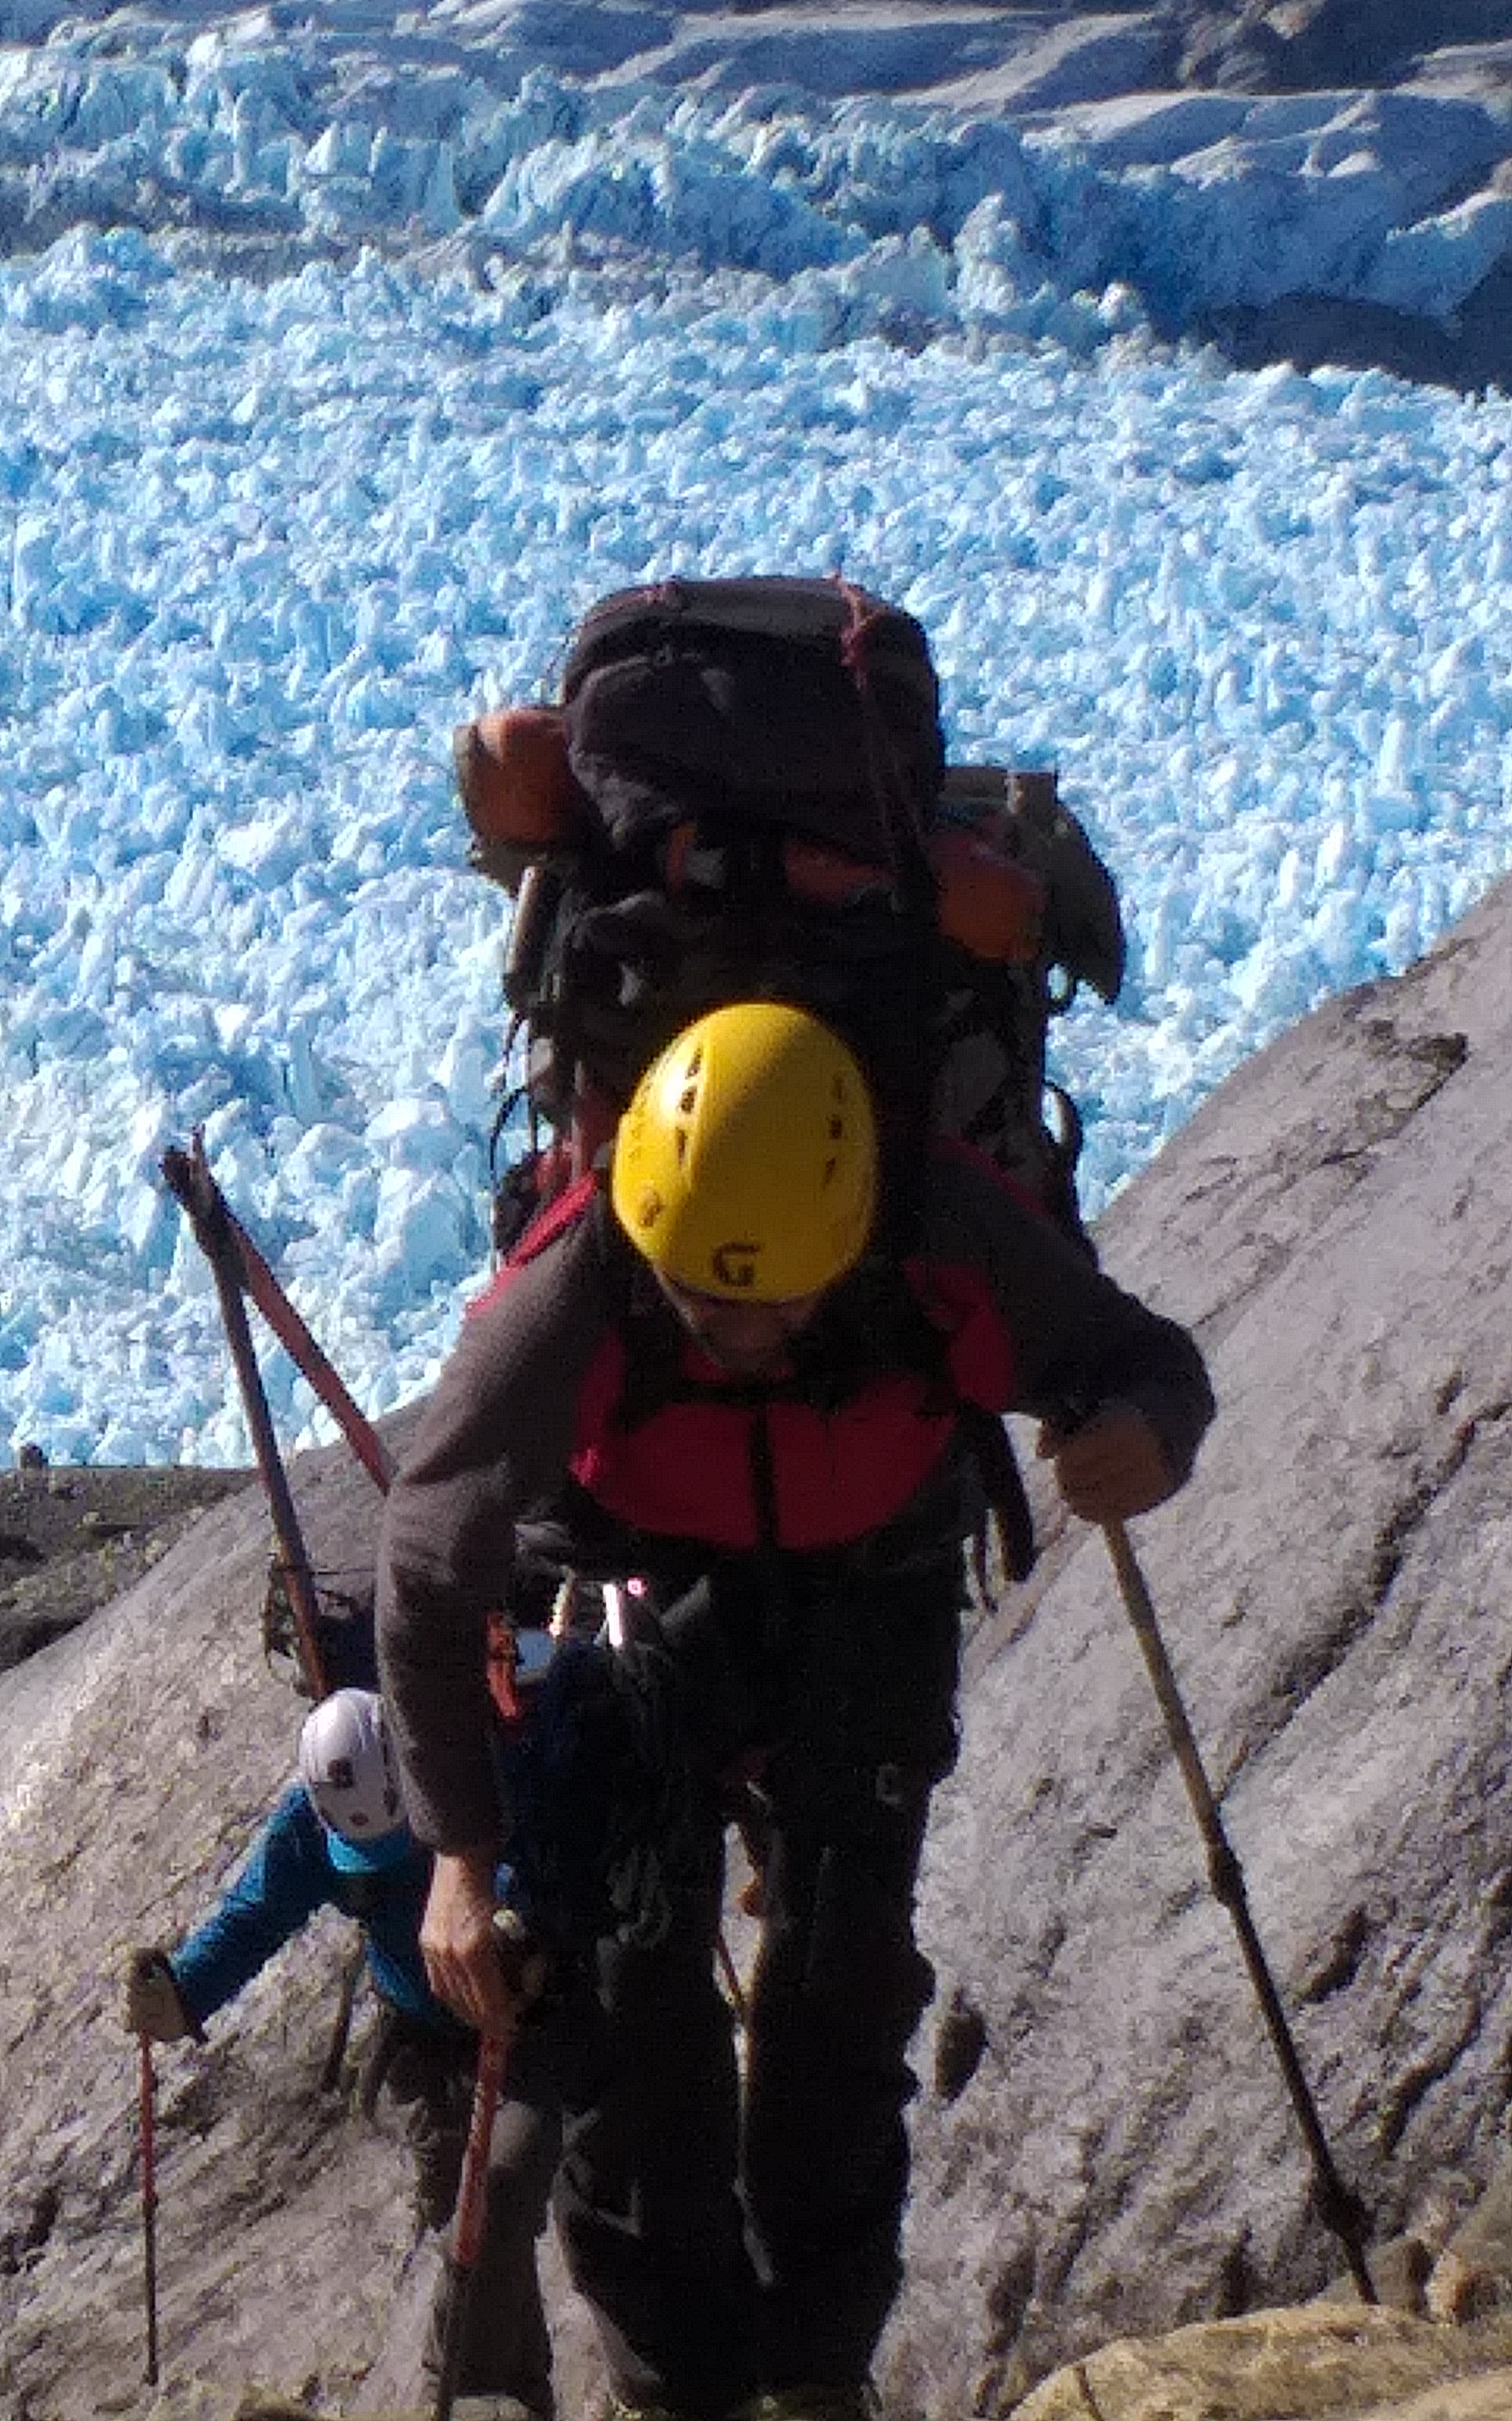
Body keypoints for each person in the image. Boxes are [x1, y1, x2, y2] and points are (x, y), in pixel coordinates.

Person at [377, 1000, 1215, 2421]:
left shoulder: (936, 1225)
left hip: (865, 1587)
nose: (737, 1329)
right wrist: (459, 1851)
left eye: (773, 1298)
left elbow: (1144, 1360)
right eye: (701, 1294)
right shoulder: (591, 1269)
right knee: (632, 2025)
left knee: (836, 1990)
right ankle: (677, 2387)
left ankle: (817, 2374)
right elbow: (423, 1552)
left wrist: (1146, 1433)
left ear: (846, 1237)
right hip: (635, 1598)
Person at [116, 1685, 570, 2421]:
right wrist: (185, 1995)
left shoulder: (481, 1772)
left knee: (496, 2198)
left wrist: (529, 1931)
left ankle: (453, 2396)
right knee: (472, 2230)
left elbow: (554, 1859)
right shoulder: (308, 1824)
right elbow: (255, 1917)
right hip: (425, 2044)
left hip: (527, 2028)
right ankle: (522, 2398)